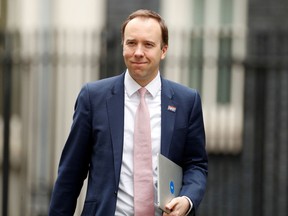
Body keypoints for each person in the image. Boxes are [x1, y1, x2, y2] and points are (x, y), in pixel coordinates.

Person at [49, 9, 208, 216]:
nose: (138, 52)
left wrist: (187, 200)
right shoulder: (93, 98)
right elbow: (71, 173)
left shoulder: (187, 101)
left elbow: (196, 165)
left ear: (164, 50)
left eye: (148, 44)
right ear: (123, 45)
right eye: (131, 43)